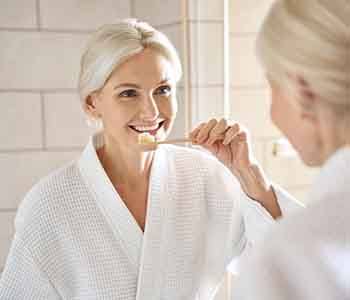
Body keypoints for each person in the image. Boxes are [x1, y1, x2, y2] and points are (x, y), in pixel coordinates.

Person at [0, 20, 299, 299]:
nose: (152, 112)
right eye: (129, 93)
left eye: (163, 90)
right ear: (93, 104)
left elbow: (291, 269)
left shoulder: (208, 177)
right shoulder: (50, 204)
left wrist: (248, 174)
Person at [232, 1, 350, 299]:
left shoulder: (288, 260)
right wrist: (259, 190)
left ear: (303, 92)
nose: (272, 113)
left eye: (272, 87)